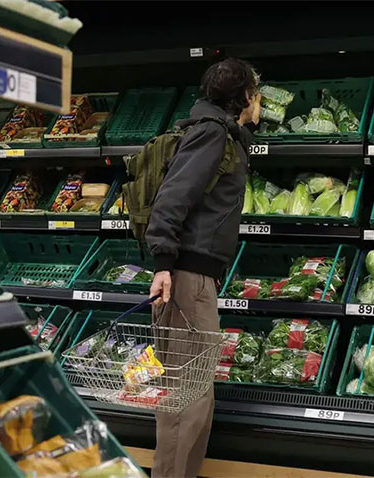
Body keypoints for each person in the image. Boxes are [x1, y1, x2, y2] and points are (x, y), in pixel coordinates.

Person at [146, 58, 260, 478]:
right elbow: (172, 196)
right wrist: (163, 263)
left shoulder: (222, 133)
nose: (260, 102)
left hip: (195, 277)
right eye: (257, 94)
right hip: (187, 281)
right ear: (246, 96)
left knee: (197, 398)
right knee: (184, 401)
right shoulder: (211, 134)